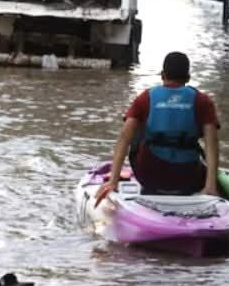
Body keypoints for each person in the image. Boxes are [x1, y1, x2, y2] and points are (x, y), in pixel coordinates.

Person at [94, 52, 220, 205]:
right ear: (188, 78)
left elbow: (123, 138)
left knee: (135, 132)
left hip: (150, 176)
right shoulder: (203, 101)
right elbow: (212, 144)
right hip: (187, 179)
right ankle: (209, 185)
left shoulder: (145, 98)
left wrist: (113, 182)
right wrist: (210, 186)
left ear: (162, 75)